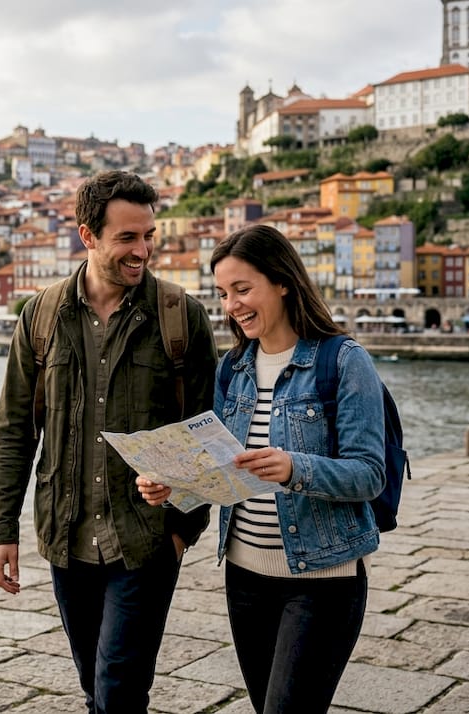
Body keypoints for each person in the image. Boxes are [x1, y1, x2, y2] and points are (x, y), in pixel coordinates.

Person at [0, 170, 219, 713]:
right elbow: (14, 430)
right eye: (128, 238)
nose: (143, 251)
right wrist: (3, 531)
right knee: (96, 685)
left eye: (149, 236)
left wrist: (184, 529)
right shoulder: (41, 317)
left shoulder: (181, 317)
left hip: (146, 542)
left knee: (118, 688)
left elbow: (207, 433)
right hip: (66, 538)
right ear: (88, 235)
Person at [138, 224, 386, 714]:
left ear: (283, 281)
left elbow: (369, 473)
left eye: (243, 289)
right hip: (244, 577)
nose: (232, 305)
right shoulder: (233, 369)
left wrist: (295, 466)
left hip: (323, 580)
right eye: (224, 293)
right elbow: (221, 474)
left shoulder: (344, 361)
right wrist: (175, 486)